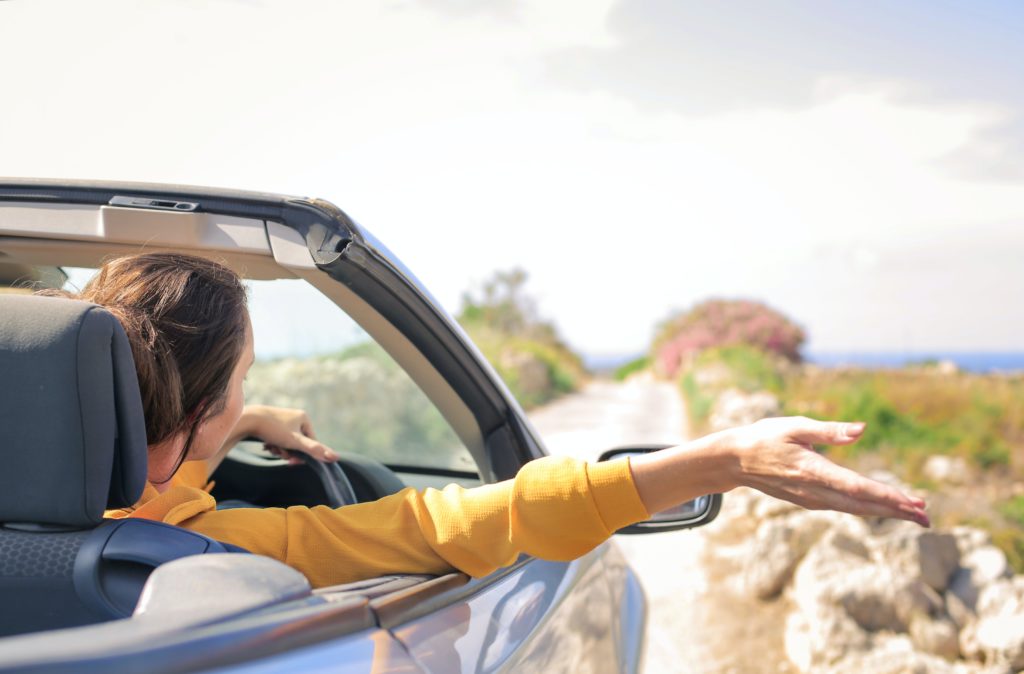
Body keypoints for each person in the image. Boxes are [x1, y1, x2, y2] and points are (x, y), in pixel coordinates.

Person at [55, 252, 928, 589]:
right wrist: (720, 462)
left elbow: (154, 468)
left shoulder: (63, 497)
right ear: (199, 410)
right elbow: (461, 517)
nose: (248, 399)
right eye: (242, 382)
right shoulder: (210, 553)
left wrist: (246, 422)